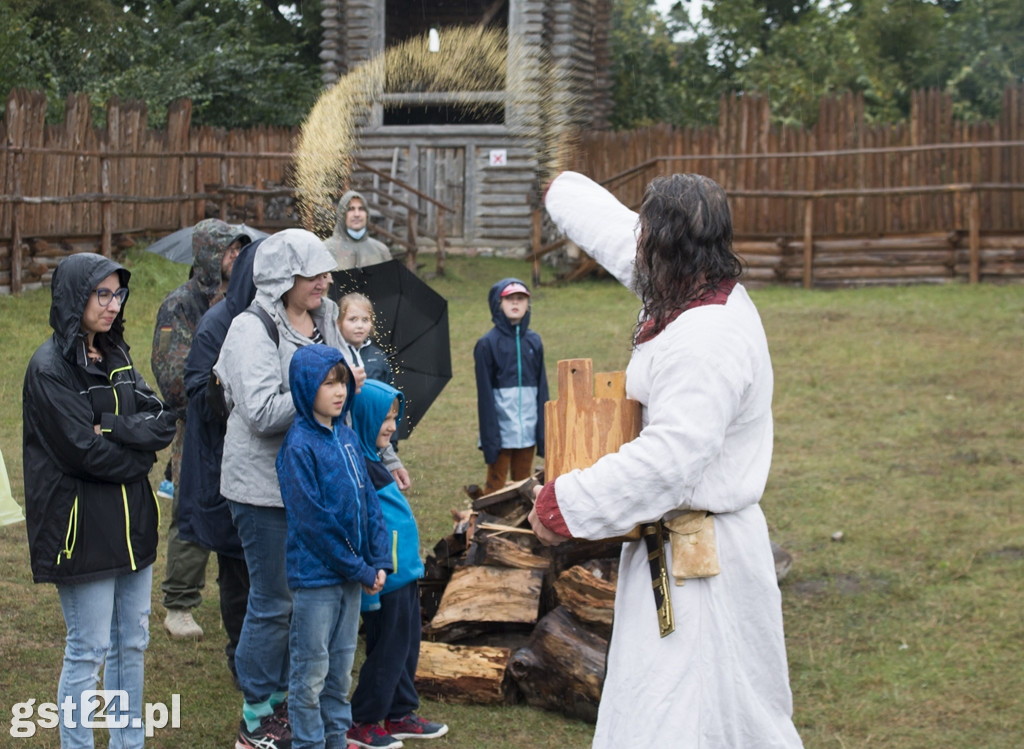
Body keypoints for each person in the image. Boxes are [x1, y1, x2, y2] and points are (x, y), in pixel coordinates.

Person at [529, 171, 803, 748]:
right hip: (671, 546)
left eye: (647, 235)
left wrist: (565, 505)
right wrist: (560, 188)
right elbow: (611, 230)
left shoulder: (708, 339)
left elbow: (670, 458)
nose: (637, 246)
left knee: (692, 716)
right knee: (665, 709)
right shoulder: (687, 284)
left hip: (707, 563)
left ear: (667, 247)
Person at [22, 252, 177, 748]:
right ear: (76, 298)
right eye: (102, 294)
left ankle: (129, 743)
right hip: (80, 528)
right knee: (89, 649)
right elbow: (81, 451)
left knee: (133, 642)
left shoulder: (117, 355)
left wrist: (112, 426)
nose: (112, 305)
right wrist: (138, 459)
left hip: (132, 528)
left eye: (118, 294)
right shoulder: (48, 369)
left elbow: (162, 420)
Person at [214, 228, 346, 749]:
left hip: (313, 485)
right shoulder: (252, 329)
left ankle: (290, 703)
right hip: (262, 488)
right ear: (281, 276)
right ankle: (255, 715)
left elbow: (338, 391)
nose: (325, 281)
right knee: (273, 600)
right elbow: (264, 412)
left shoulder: (327, 317)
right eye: (314, 273)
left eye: (325, 271)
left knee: (307, 598)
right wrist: (321, 389)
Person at [277, 345, 391, 749]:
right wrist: (360, 568)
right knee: (310, 674)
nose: (339, 391)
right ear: (307, 387)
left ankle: (335, 741)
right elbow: (315, 524)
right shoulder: (298, 447)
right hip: (316, 580)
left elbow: (369, 504)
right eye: (328, 383)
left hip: (352, 578)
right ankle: (309, 743)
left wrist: (378, 559)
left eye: (341, 381)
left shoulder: (345, 436)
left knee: (341, 671)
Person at [151, 218, 250, 640]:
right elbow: (172, 374)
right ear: (210, 254)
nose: (236, 258)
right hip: (195, 428)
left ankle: (239, 595)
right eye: (230, 251)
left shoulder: (246, 300)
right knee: (191, 510)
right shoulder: (181, 305)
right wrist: (212, 396)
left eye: (240, 251)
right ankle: (180, 602)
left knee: (238, 507)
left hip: (241, 428)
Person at [177, 239, 262, 685]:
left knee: (266, 573)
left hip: (267, 468)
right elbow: (194, 388)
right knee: (238, 570)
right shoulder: (219, 322)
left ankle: (264, 656)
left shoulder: (278, 320)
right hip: (223, 464)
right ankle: (240, 659)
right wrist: (223, 388)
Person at [347, 379, 449, 749]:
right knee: (387, 649)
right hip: (383, 576)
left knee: (407, 644)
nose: (391, 426)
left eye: (394, 418)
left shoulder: (375, 458)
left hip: (404, 573)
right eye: (383, 419)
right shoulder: (356, 464)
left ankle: (400, 712)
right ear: (362, 418)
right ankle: (362, 720)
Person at [473, 278, 549, 495]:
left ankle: (520, 525)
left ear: (527, 304)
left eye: (521, 299)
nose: (515, 303)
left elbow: (542, 387)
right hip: (501, 430)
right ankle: (488, 525)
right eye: (509, 299)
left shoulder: (534, 341)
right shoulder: (487, 344)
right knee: (495, 486)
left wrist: (542, 430)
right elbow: (484, 396)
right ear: (499, 303)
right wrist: (490, 435)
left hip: (528, 429)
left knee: (524, 485)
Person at [323, 190, 391, 270]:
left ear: (367, 214)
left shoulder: (381, 251)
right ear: (342, 214)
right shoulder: (326, 250)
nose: (357, 214)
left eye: (361, 209)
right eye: (351, 209)